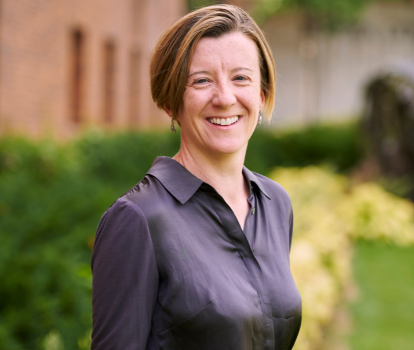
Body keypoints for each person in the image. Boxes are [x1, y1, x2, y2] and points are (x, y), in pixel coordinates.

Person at [90, 4, 301, 349]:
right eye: (202, 80)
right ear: (173, 102)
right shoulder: (138, 219)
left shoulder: (274, 203)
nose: (224, 97)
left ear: (261, 96)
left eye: (241, 78)